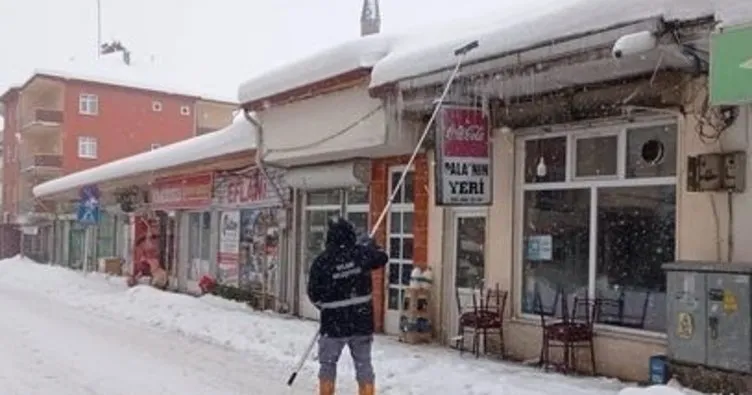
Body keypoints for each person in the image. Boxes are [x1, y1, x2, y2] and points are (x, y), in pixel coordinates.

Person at [307, 217, 388, 395]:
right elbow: (382, 258)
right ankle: (367, 391)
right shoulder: (360, 254)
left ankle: (326, 391)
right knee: (363, 363)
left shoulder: (322, 261)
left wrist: (326, 307)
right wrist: (371, 246)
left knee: (328, 364)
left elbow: (313, 293)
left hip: (333, 325)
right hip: (361, 321)